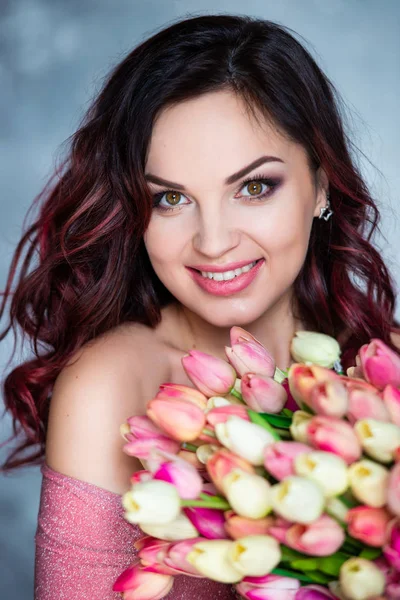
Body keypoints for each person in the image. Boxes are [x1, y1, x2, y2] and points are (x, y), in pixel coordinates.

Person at [0, 13, 399, 600]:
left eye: (254, 187)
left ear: (320, 184)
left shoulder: (379, 365)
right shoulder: (111, 386)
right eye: (169, 198)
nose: (213, 242)